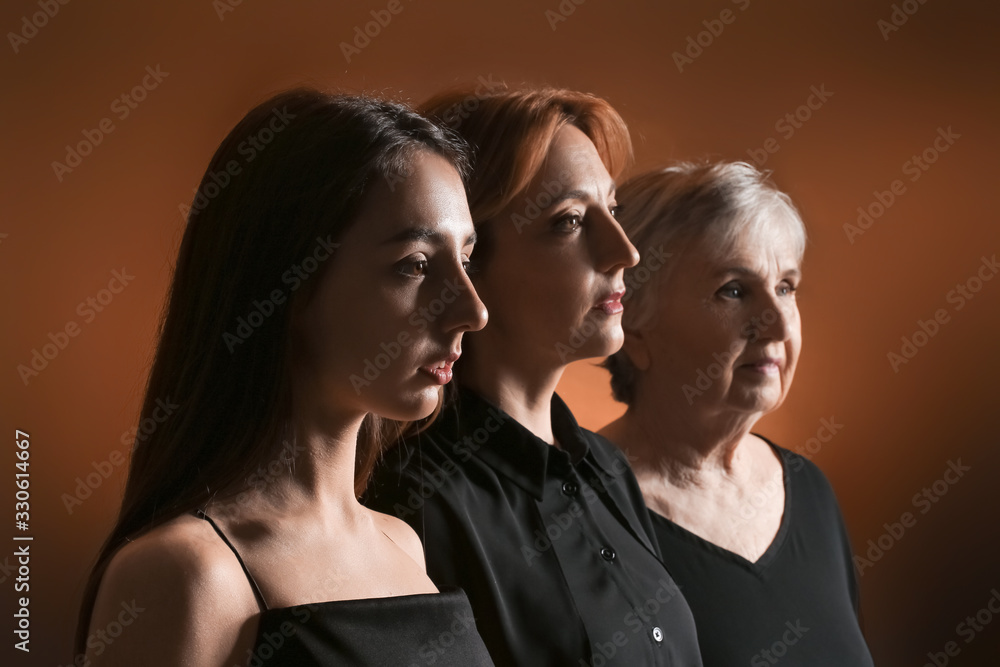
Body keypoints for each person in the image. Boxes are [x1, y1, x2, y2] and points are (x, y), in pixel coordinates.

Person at [75, 88, 495, 666]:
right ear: (287, 284)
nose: (472, 310)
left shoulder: (403, 544)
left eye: (466, 261)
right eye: (415, 265)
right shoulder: (187, 575)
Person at [363, 86, 703, 667]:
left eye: (612, 212)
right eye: (569, 221)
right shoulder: (409, 504)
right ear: (469, 261)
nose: (624, 251)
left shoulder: (608, 470)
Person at [600, 161, 874, 666]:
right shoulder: (587, 509)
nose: (775, 323)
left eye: (786, 287)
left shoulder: (808, 488)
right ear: (633, 323)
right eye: (733, 289)